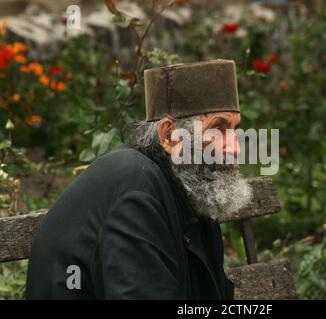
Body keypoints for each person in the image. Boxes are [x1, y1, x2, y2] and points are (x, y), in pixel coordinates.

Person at [26, 60, 253, 299]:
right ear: (168, 135)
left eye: (234, 129)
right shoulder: (137, 192)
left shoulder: (194, 186)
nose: (234, 147)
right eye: (218, 129)